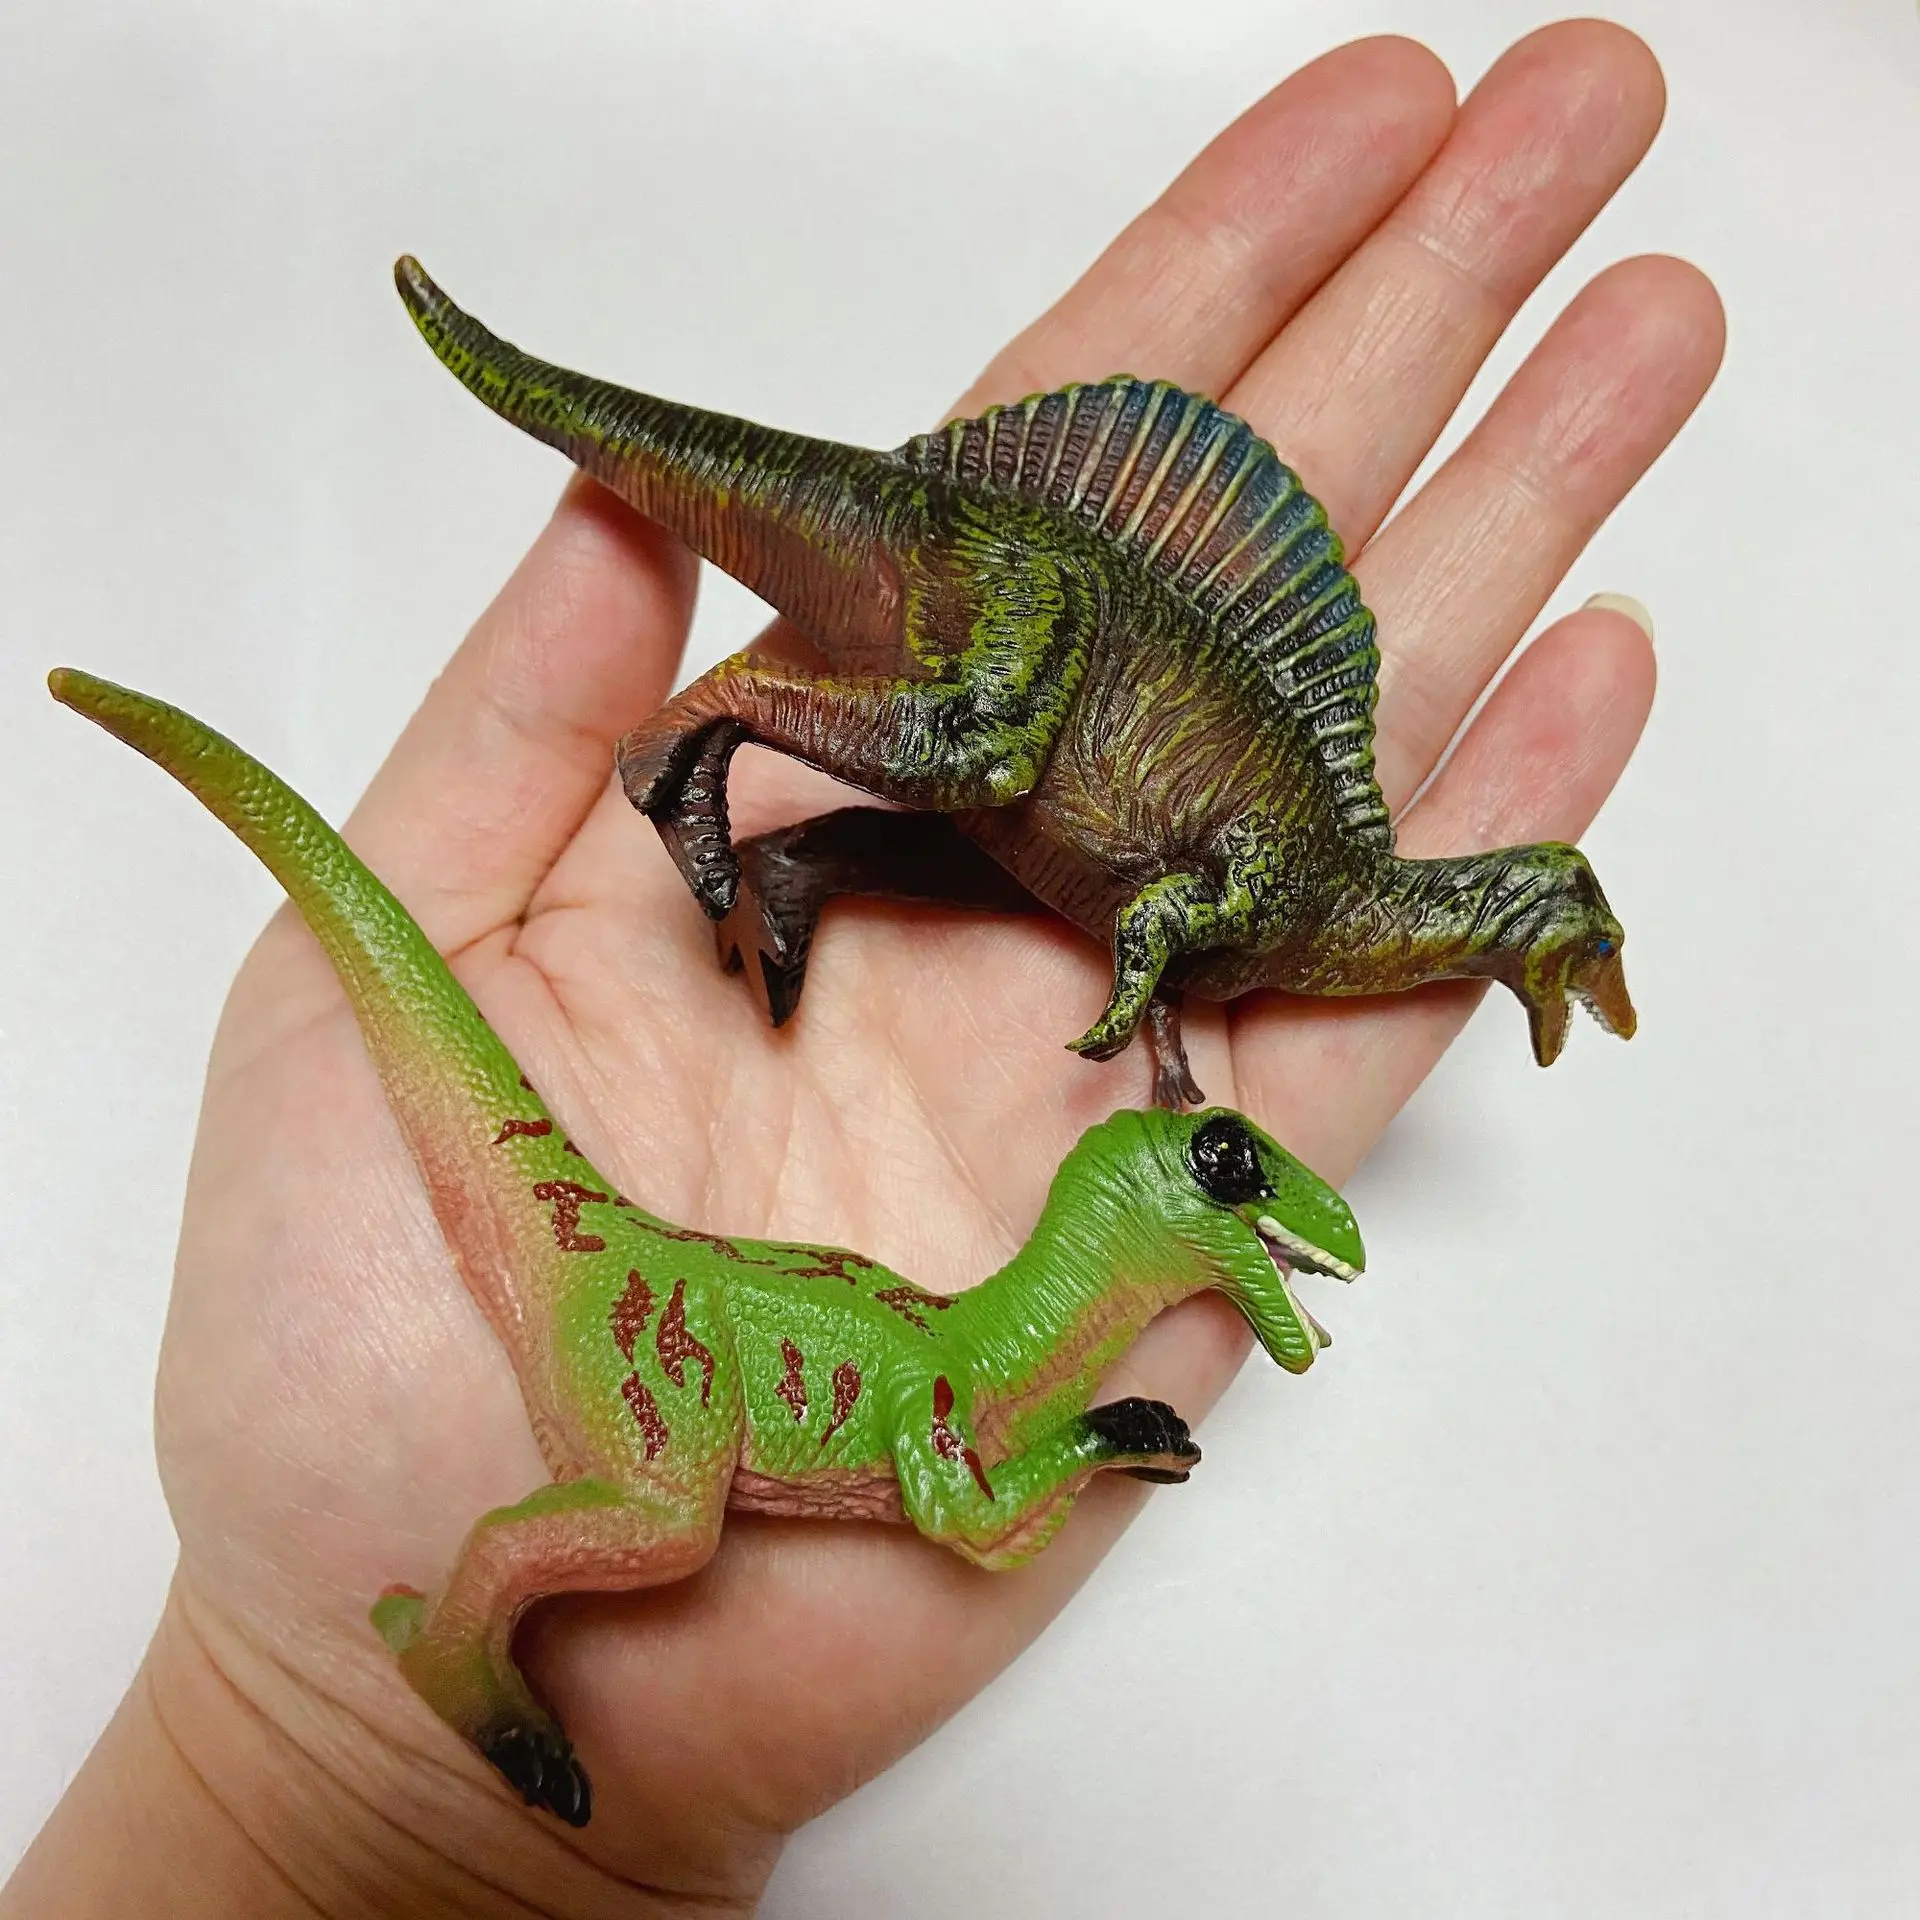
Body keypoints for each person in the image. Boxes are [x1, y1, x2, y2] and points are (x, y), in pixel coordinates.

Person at [1, 22, 1721, 1916]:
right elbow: (968, 1498)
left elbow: (992, 1343)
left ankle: (769, 809)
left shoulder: (1054, 1242)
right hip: (1002, 708)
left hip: (908, 1024)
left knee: (970, 813)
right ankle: (457, 1615)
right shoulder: (1270, 925)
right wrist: (1121, 1105)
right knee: (664, 1514)